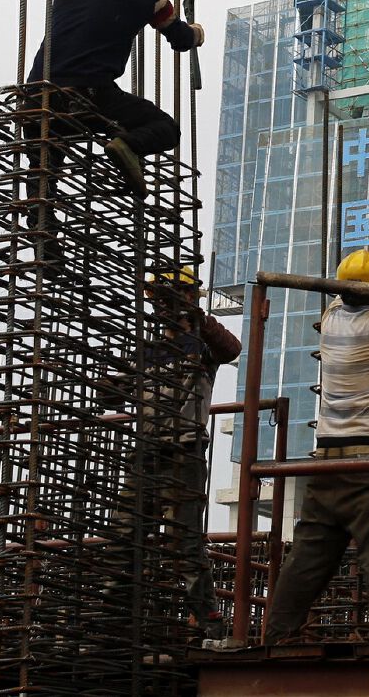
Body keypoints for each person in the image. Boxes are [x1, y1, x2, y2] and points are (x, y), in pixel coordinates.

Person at [264, 243, 369, 645]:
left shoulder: (330, 321)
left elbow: (357, 282)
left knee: (308, 554)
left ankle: (277, 634)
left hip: (325, 461)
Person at [25, 0, 204, 210]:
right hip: (89, 94)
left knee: (44, 171)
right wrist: (197, 33)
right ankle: (128, 145)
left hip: (36, 96)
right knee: (165, 128)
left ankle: (41, 222)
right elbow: (181, 39)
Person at [107, 267, 242, 642]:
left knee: (184, 541)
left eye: (171, 300)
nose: (164, 307)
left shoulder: (201, 344)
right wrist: (110, 375)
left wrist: (198, 319)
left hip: (185, 451)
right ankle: (110, 618)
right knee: (125, 536)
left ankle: (208, 619)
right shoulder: (147, 351)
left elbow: (232, 348)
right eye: (160, 300)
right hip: (147, 452)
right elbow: (110, 395)